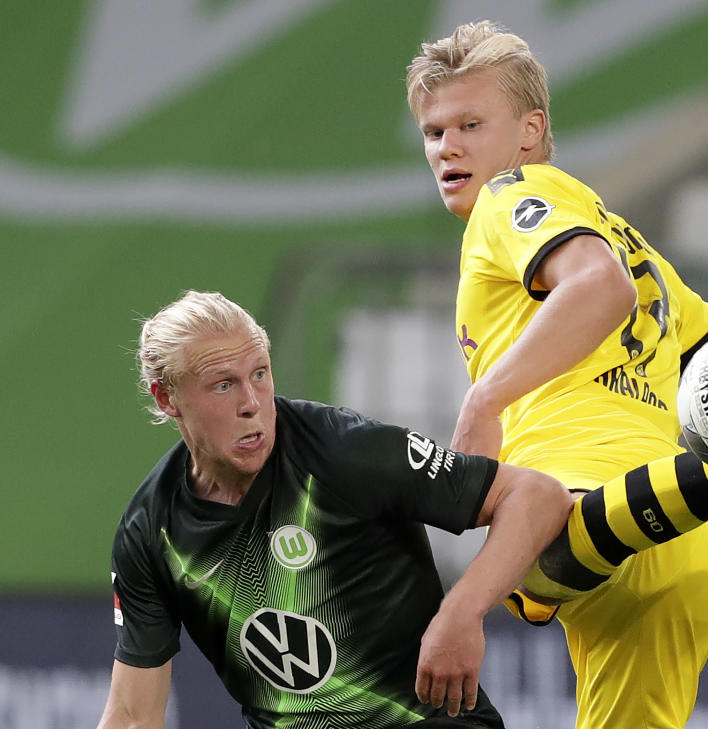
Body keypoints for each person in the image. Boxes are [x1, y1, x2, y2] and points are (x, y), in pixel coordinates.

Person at [405, 21, 708, 729]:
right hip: (682, 541)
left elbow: (597, 287)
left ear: (529, 131)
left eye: (469, 124)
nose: (447, 147)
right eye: (433, 132)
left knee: (528, 547)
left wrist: (487, 394)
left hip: (588, 509)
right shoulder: (641, 251)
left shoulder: (513, 196)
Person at [95, 290, 575, 729]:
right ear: (167, 397)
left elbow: (536, 497)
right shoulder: (150, 532)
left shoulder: (344, 452)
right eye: (223, 385)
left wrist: (463, 612)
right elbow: (133, 715)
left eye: (259, 374)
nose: (251, 403)